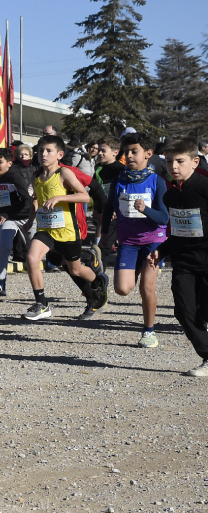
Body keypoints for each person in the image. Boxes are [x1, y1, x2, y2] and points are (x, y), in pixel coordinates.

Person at [23, 135, 107, 321]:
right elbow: (35, 199)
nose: (43, 154)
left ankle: (98, 281)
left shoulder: (64, 174)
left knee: (75, 269)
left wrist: (60, 198)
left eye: (48, 151)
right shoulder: (36, 176)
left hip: (67, 230)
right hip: (46, 229)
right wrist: (30, 221)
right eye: (40, 151)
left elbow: (84, 197)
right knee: (32, 258)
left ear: (60, 154)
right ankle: (42, 304)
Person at [101, 133, 168, 347]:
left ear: (148, 154)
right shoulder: (119, 181)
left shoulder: (157, 181)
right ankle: (132, 270)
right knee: (122, 289)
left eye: (134, 151)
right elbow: (108, 207)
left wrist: (145, 209)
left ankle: (149, 332)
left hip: (153, 240)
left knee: (147, 288)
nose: (128, 156)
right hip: (128, 241)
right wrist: (104, 234)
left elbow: (164, 217)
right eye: (126, 152)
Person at [150, 139, 208, 376]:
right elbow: (178, 232)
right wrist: (162, 250)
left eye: (180, 161)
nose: (174, 166)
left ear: (195, 162)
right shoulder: (171, 197)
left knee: (204, 312)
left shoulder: (205, 188)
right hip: (184, 262)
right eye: (169, 161)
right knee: (183, 312)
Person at [0, 147, 36, 296]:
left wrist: (8, 212)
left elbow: (27, 202)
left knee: (34, 253)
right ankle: (1, 283)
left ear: (9, 163)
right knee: (3, 248)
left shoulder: (15, 177)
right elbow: (0, 197)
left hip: (26, 217)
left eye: (0, 162)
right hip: (9, 218)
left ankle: (38, 289)